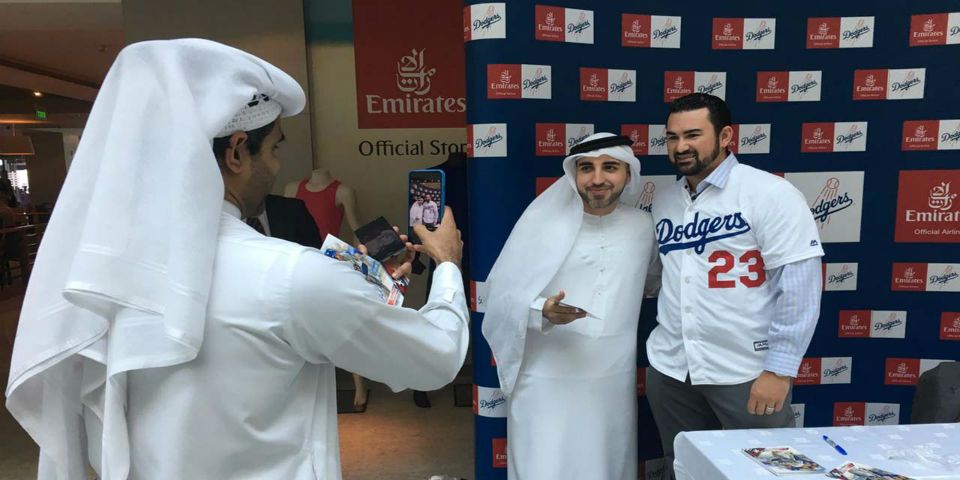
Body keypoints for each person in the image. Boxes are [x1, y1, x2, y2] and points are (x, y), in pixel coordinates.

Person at [5, 38, 469, 480]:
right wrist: (446, 264)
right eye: (274, 148)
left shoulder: (100, 279)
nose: (277, 166)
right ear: (236, 152)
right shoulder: (293, 277)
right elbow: (433, 359)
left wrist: (355, 281)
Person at [646, 93, 824, 480]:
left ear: (726, 135)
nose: (681, 146)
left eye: (693, 134)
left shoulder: (769, 193)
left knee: (771, 470)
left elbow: (799, 286)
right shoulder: (665, 201)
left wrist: (779, 369)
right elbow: (659, 278)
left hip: (747, 368)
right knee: (687, 468)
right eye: (672, 137)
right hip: (673, 367)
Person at [482, 133, 660, 479]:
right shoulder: (542, 224)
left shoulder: (643, 227)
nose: (597, 179)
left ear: (628, 174)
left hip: (611, 380)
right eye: (586, 168)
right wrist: (540, 310)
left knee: (605, 465)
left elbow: (654, 283)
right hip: (545, 377)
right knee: (545, 465)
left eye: (609, 167)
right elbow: (500, 296)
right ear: (572, 174)